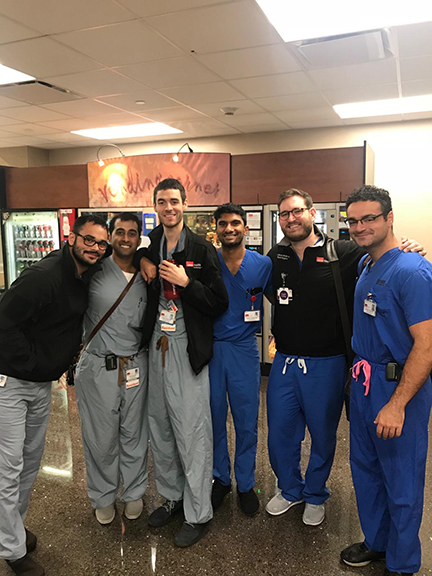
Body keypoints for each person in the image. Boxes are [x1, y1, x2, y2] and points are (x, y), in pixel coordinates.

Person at [265, 189, 424, 527]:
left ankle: (315, 493)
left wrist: (409, 246)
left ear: (312, 213)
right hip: (285, 362)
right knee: (279, 434)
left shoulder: (343, 252)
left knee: (323, 435)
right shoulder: (275, 256)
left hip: (328, 362)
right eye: (284, 214)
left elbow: (383, 253)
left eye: (297, 211)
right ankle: (290, 489)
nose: (291, 219)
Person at [0, 215, 108, 576]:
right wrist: (33, 363)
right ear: (72, 237)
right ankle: (11, 549)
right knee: (8, 468)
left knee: (29, 462)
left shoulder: (83, 271)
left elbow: (123, 254)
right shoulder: (43, 276)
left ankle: (12, 529)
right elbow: (4, 322)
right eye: (89, 240)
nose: (95, 248)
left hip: (40, 384)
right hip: (10, 383)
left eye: (101, 243)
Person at [340, 186, 432, 576]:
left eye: (369, 218)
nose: (360, 227)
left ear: (389, 218)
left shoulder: (412, 271)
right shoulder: (366, 264)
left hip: (397, 386)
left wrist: (397, 404)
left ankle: (403, 563)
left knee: (402, 479)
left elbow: (426, 345)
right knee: (366, 470)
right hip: (364, 383)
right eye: (353, 220)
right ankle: (377, 542)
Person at [138, 178, 229, 548]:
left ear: (185, 204)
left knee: (191, 431)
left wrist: (187, 282)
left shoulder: (202, 248)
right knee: (160, 427)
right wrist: (144, 259)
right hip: (155, 345)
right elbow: (129, 251)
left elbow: (219, 302)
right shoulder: (150, 242)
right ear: (155, 206)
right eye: (162, 202)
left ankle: (198, 512)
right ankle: (172, 496)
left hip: (186, 348)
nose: (169, 208)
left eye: (174, 201)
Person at [74, 213, 148, 525]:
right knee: (100, 436)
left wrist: (145, 258)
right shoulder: (94, 270)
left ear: (139, 238)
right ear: (111, 236)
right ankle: (102, 495)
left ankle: (134, 492)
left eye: (132, 233)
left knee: (134, 433)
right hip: (99, 366)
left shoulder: (148, 273)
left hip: (135, 365)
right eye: (119, 232)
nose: (125, 238)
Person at [209, 203, 272, 516]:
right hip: (211, 350)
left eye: (235, 223)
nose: (229, 228)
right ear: (216, 229)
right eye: (223, 223)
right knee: (213, 418)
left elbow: (282, 299)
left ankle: (245, 483)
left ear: (246, 228)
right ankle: (220, 478)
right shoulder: (208, 262)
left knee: (247, 420)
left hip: (245, 350)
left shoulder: (263, 265)